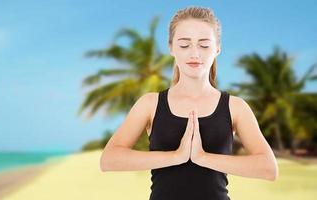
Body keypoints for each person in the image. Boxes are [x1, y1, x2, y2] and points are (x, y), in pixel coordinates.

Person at [100, 6, 278, 200]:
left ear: (217, 48)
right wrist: (176, 156)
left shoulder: (235, 107)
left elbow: (268, 168)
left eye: (204, 45)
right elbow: (109, 160)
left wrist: (202, 157)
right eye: (185, 45)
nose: (195, 53)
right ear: (171, 47)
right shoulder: (150, 104)